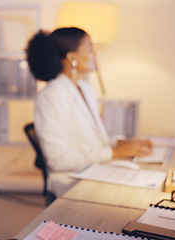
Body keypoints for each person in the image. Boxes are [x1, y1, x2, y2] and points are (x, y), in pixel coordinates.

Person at [26, 27, 152, 200]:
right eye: (90, 48)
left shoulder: (85, 89)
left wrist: (124, 143)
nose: (95, 55)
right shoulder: (50, 96)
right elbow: (57, 160)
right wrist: (114, 152)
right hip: (70, 185)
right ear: (72, 58)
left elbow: (94, 139)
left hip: (96, 171)